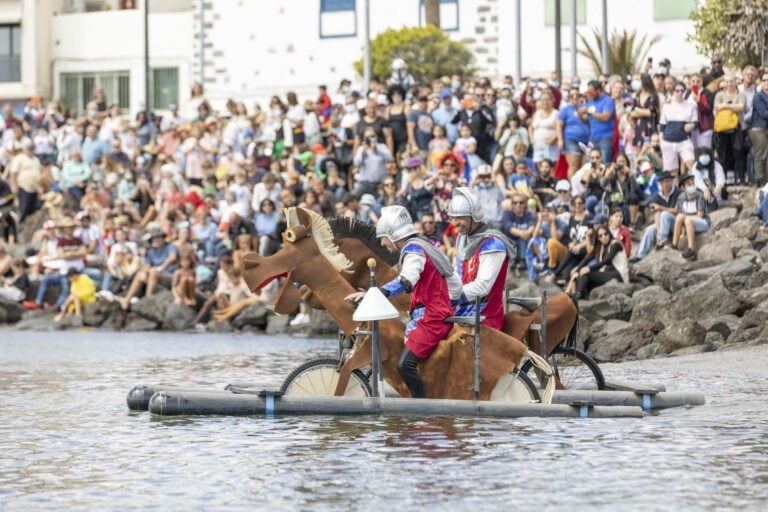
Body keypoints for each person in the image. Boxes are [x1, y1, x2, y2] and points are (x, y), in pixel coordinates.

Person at [346, 206, 459, 399]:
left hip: (433, 317)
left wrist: (375, 293)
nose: (382, 243)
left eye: (383, 238)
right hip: (425, 315)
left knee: (404, 365)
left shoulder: (414, 249)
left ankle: (422, 409)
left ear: (392, 235)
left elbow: (406, 280)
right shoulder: (419, 245)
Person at [449, 187, 516, 330]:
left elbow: (482, 286)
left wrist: (450, 297)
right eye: (453, 217)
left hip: (484, 318)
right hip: (460, 312)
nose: (455, 222)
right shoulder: (462, 239)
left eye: (460, 217)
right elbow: (458, 275)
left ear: (474, 216)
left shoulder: (493, 244)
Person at [630, 171, 680, 263]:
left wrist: (661, 208)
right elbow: (656, 214)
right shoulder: (657, 196)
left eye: (668, 181)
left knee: (665, 214)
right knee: (650, 230)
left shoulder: (677, 192)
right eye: (663, 182)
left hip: (676, 222)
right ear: (660, 183)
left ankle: (663, 241)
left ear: (672, 182)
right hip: (663, 223)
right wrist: (658, 232)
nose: (665, 184)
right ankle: (640, 255)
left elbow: (678, 211)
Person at [567, 227, 628, 300]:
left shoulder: (616, 244)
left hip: (618, 274)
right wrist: (577, 270)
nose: (604, 237)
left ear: (609, 233)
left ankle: (577, 296)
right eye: (600, 236)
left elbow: (607, 260)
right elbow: (588, 258)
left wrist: (589, 268)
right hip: (606, 272)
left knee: (586, 273)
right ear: (598, 238)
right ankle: (578, 294)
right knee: (582, 274)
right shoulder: (601, 247)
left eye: (606, 234)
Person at [713, 74, 747, 184]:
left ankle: (741, 178)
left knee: (738, 153)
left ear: (736, 82)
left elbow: (741, 107)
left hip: (737, 128)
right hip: (722, 129)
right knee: (724, 155)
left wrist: (725, 106)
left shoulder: (741, 95)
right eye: (727, 82)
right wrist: (732, 106)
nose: (729, 84)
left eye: (731, 81)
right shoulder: (719, 94)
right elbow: (716, 107)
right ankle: (724, 179)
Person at [659, 81, 698, 176]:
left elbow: (696, 122)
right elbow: (662, 125)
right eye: (677, 90)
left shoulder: (690, 106)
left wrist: (691, 126)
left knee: (691, 164)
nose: (680, 92)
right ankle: (676, 190)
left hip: (684, 141)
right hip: (668, 141)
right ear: (673, 92)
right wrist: (661, 142)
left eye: (682, 90)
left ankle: (697, 187)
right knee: (672, 172)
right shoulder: (667, 106)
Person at [672, 173, 709, 260]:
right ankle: (674, 244)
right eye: (689, 184)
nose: (692, 185)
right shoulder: (681, 197)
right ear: (683, 187)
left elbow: (700, 215)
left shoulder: (699, 195)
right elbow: (681, 214)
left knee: (687, 219)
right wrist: (682, 233)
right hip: (688, 223)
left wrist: (686, 218)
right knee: (679, 216)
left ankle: (691, 250)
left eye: (693, 183)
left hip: (702, 222)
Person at [557, 90, 590, 178]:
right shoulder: (565, 109)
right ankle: (572, 188)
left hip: (585, 141)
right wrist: (560, 140)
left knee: (583, 167)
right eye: (572, 95)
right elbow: (559, 125)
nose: (575, 97)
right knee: (573, 166)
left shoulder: (585, 108)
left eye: (577, 95)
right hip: (571, 140)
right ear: (569, 98)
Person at [585, 80, 616, 164]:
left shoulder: (607, 101)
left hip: (605, 138)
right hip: (593, 137)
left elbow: (606, 117)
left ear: (598, 90)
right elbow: (587, 120)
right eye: (588, 91)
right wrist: (581, 114)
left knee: (605, 162)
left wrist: (590, 113)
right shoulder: (590, 101)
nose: (589, 94)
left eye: (591, 91)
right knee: (591, 163)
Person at [750, 70, 768, 187]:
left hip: (765, 129)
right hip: (759, 130)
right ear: (760, 83)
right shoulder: (758, 96)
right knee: (761, 155)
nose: (767, 82)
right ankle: (760, 181)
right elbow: (764, 113)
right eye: (764, 80)